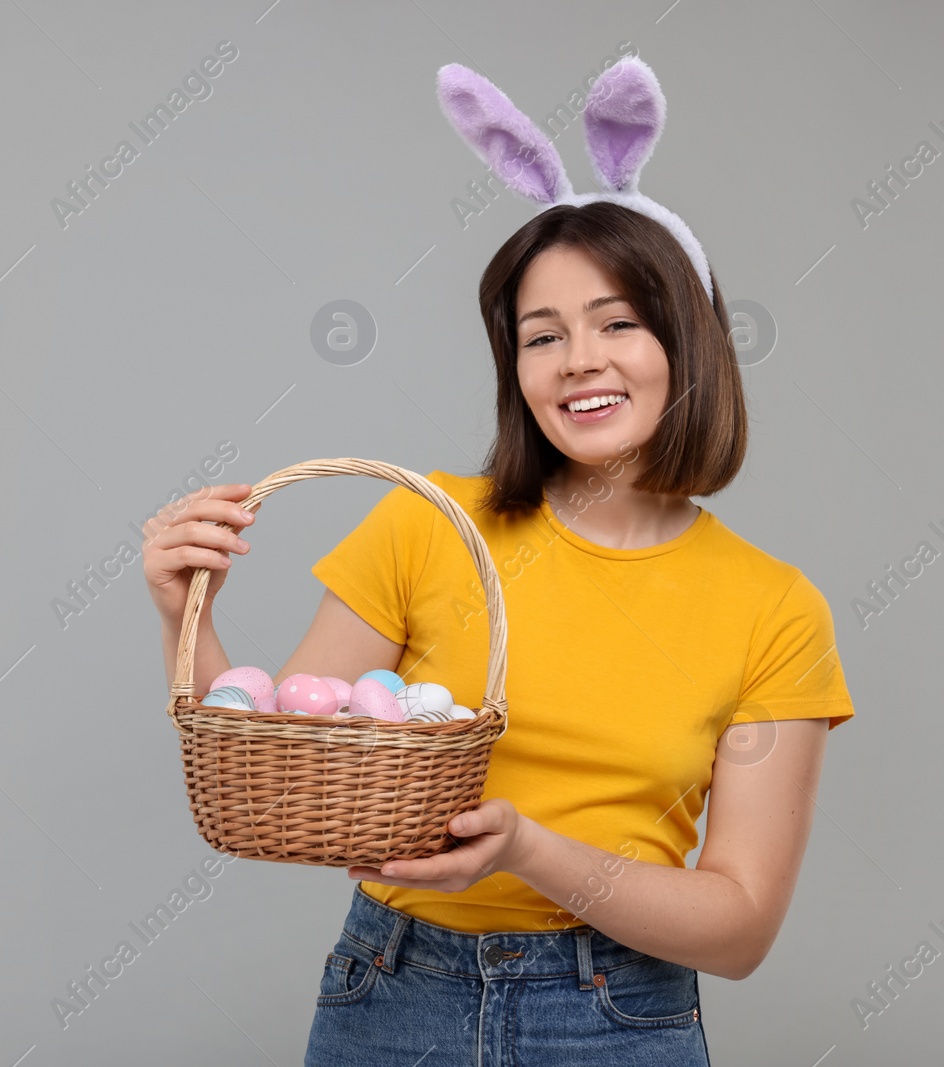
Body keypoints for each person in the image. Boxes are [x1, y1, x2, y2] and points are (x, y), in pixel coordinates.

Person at [142, 201, 856, 1065]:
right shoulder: (429, 525)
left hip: (618, 1012)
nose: (579, 360)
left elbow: (740, 928)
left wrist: (525, 850)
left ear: (689, 343)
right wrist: (189, 614)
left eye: (618, 322)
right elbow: (281, 776)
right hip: (394, 994)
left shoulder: (775, 608)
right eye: (541, 336)